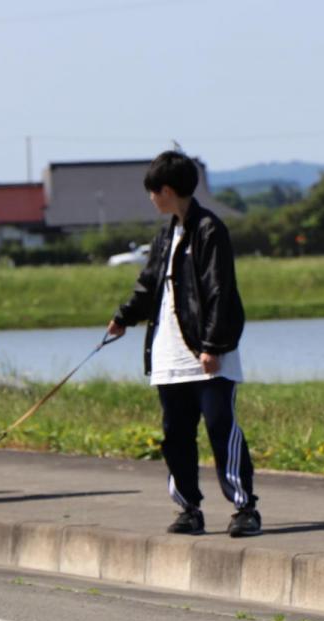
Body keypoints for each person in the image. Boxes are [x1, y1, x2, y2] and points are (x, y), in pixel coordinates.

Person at [106, 150, 261, 537]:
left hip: (208, 355)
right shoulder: (165, 236)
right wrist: (124, 317)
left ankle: (244, 507)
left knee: (222, 429)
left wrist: (212, 345)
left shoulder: (210, 230)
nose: (151, 198)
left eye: (153, 191)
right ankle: (189, 508)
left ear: (169, 190)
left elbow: (220, 292)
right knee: (176, 436)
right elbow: (148, 286)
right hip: (169, 357)